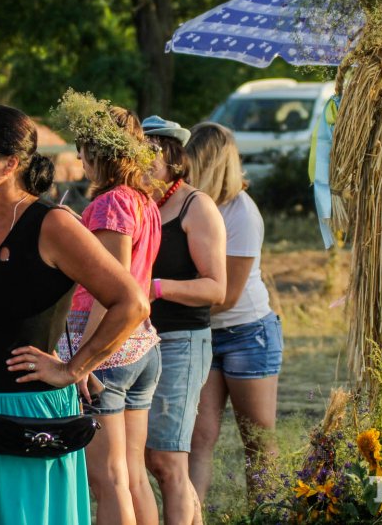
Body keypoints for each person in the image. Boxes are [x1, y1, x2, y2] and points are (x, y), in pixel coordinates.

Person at [0, 105, 149, 525]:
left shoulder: (52, 224)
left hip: (27, 415)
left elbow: (131, 303)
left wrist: (73, 368)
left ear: (10, 163)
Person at [56, 97, 162, 525]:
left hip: (107, 348)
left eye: (83, 150)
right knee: (133, 476)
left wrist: (83, 361)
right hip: (141, 344)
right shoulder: (144, 201)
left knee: (106, 479)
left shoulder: (110, 203)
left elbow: (109, 291)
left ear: (99, 152)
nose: (80, 159)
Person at [185, 122, 283, 504]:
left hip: (247, 333)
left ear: (209, 164)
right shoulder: (193, 205)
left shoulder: (242, 214)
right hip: (205, 332)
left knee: (257, 439)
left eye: (192, 162)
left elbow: (226, 296)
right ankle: (190, 515)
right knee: (198, 437)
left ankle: (265, 514)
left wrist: (167, 303)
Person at [140, 116, 226, 525]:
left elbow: (216, 288)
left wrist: (156, 287)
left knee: (167, 459)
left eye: (151, 155)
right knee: (147, 458)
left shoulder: (197, 206)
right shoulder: (138, 204)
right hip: (138, 341)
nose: (142, 163)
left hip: (181, 341)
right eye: (136, 155)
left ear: (174, 157)